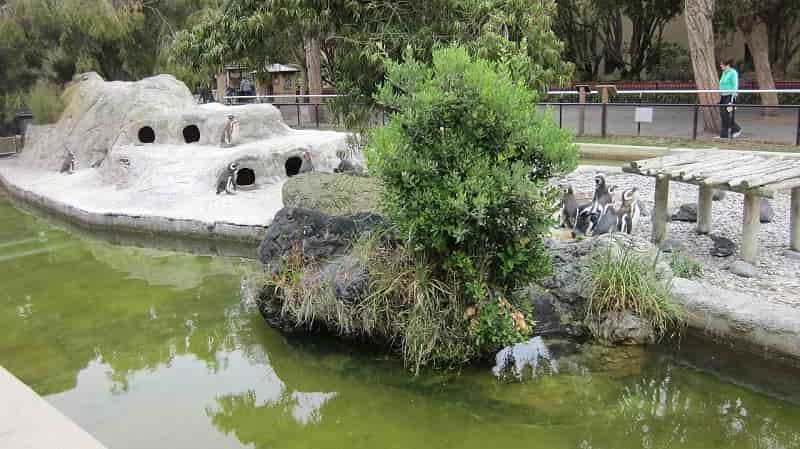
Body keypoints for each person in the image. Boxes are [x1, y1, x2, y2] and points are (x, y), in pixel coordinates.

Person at [718, 59, 742, 138]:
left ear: (727, 65)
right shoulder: (724, 73)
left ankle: (737, 129)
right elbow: (722, 84)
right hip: (723, 96)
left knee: (726, 114)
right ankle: (723, 135)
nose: (720, 66)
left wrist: (732, 99)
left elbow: (735, 86)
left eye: (722, 64)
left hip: (730, 96)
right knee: (722, 115)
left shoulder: (733, 73)